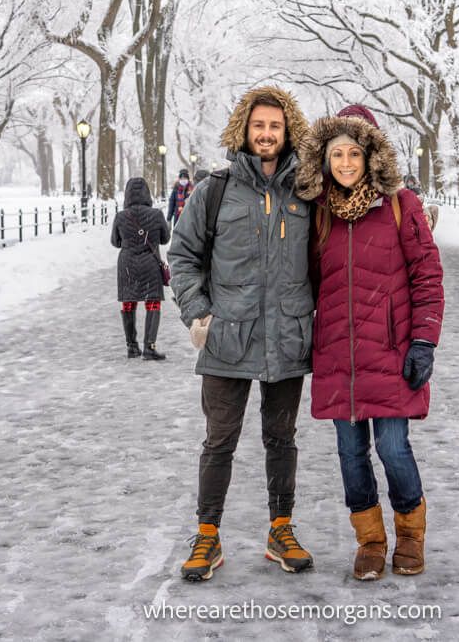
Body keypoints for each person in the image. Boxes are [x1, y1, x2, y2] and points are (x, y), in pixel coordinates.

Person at [168, 86, 315, 581]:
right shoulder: (217, 188)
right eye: (259, 126)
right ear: (245, 130)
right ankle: (207, 534)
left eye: (275, 126)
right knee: (219, 441)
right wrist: (197, 311)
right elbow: (183, 255)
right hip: (227, 338)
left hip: (288, 339)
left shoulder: (307, 191)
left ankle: (281, 528)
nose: (267, 134)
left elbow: (353, 231)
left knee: (282, 438)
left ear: (287, 130)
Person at [296, 104, 445, 581]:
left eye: (353, 153)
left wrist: (423, 340)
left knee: (393, 447)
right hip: (339, 353)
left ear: (371, 156)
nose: (344, 163)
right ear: (324, 158)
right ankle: (370, 542)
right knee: (349, 452)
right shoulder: (319, 215)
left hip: (392, 351)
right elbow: (305, 281)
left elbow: (427, 275)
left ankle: (411, 536)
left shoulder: (401, 206)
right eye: (336, 153)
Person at [110, 177, 171, 361]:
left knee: (128, 302)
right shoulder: (156, 214)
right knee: (152, 301)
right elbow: (164, 239)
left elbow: (115, 242)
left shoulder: (121, 216)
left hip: (127, 262)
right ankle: (149, 347)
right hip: (150, 262)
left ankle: (132, 346)